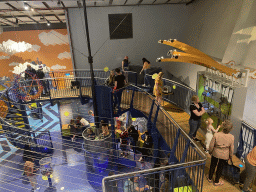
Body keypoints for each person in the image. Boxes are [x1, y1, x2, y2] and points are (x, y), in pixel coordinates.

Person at [207, 120, 234, 186]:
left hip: (215, 153)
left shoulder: (216, 134)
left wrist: (210, 151)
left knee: (212, 165)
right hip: (225, 155)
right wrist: (230, 157)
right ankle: (216, 181)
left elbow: (211, 145)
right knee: (220, 168)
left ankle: (210, 178)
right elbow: (231, 149)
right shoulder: (232, 137)